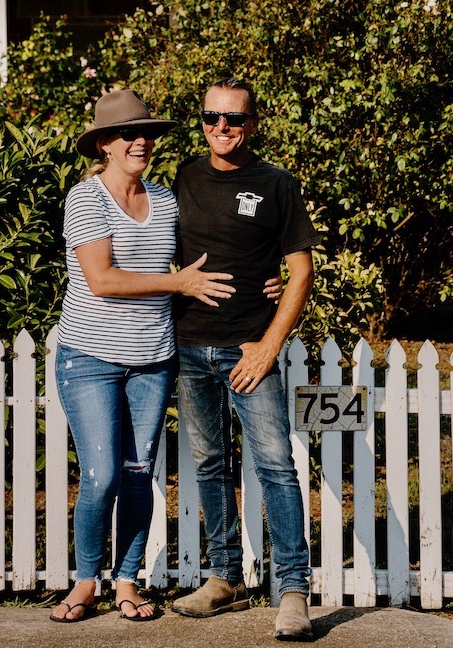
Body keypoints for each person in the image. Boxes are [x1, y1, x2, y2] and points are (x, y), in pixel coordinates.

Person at [50, 88, 237, 623]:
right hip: (89, 357)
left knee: (137, 473)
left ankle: (126, 583)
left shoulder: (165, 200)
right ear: (105, 144)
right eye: (129, 133)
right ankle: (87, 581)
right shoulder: (86, 199)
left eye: (147, 133)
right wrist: (177, 283)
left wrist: (266, 280)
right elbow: (102, 279)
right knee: (102, 474)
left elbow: (209, 253)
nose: (141, 141)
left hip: (152, 360)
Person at [171, 77, 318, 642]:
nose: (221, 127)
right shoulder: (182, 178)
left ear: (253, 123)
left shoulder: (276, 184)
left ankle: (293, 591)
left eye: (233, 118)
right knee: (208, 465)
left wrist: (268, 345)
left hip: (247, 349)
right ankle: (224, 578)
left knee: (276, 467)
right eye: (211, 117)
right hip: (189, 348)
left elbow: (300, 271)